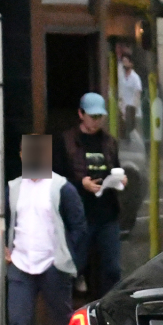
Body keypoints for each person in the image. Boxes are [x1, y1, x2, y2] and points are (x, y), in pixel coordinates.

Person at [3, 135, 88, 325]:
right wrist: (6, 247)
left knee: (65, 320)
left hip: (52, 263)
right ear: (21, 155)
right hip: (20, 261)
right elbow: (6, 220)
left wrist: (68, 258)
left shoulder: (62, 187)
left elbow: (79, 226)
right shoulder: (13, 187)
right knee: (18, 321)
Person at [54, 92, 122, 298]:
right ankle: (67, 311)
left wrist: (119, 179)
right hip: (80, 213)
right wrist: (80, 184)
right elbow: (56, 177)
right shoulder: (64, 141)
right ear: (81, 114)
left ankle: (107, 309)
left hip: (106, 212)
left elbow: (114, 168)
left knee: (112, 268)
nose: (96, 121)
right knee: (75, 264)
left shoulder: (109, 141)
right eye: (92, 116)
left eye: (100, 117)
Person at [117, 53, 142, 133]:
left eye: (126, 61)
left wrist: (133, 111)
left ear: (131, 64)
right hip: (124, 113)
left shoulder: (135, 78)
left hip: (133, 113)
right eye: (123, 61)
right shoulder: (121, 77)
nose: (124, 64)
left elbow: (137, 95)